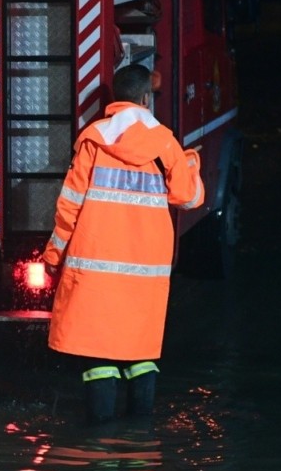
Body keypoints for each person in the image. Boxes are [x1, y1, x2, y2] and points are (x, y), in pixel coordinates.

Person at [41, 64, 204, 424]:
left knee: (99, 356)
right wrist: (191, 162)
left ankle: (99, 444)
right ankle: (139, 442)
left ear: (117, 97)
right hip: (145, 271)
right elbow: (189, 198)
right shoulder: (165, 142)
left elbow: (69, 204)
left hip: (97, 266)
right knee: (140, 350)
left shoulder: (93, 139)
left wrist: (53, 254)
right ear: (147, 98)